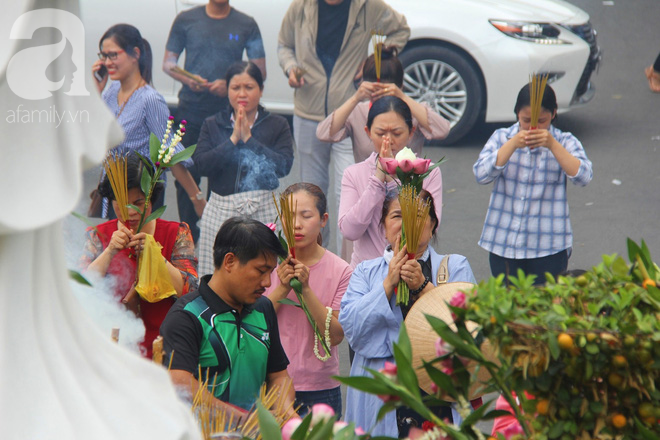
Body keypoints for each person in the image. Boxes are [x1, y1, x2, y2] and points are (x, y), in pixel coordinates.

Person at [339, 191, 476, 437]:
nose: (408, 223)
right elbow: (352, 330)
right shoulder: (365, 272)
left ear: (433, 225)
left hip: (437, 391)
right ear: (383, 227)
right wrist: (387, 285)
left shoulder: (454, 266)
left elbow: (471, 330)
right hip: (382, 392)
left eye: (418, 215)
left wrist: (424, 287)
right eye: (397, 215)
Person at [278, 0, 410, 248]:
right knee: (311, 195)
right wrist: (291, 67)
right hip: (309, 111)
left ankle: (345, 269)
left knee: (346, 194)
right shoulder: (301, 6)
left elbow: (401, 30)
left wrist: (375, 56)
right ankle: (315, 260)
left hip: (348, 113)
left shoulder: (368, 6)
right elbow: (284, 45)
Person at [160, 217, 295, 414]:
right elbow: (180, 382)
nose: (267, 283)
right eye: (260, 271)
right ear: (229, 261)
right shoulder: (187, 315)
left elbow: (278, 375)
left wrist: (288, 416)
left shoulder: (263, 308)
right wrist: (243, 420)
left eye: (271, 272)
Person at [163, 0, 266, 242]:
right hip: (190, 109)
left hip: (227, 116)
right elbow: (169, 64)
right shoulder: (186, 19)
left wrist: (229, 83)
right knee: (186, 175)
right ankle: (188, 240)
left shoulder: (246, 24)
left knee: (224, 177)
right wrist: (188, 80)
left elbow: (259, 71)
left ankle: (220, 240)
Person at [80, 153, 199, 359]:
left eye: (138, 202)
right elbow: (82, 288)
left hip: (165, 348)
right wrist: (109, 252)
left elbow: (190, 290)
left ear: (152, 198)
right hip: (112, 347)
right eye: (121, 203)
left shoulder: (176, 233)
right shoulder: (98, 235)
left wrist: (156, 255)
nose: (130, 211)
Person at [473, 83, 593, 282]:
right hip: (504, 244)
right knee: (507, 305)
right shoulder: (502, 137)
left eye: (542, 121)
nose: (534, 127)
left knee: (544, 305)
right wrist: (512, 144)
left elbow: (584, 176)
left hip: (548, 247)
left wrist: (552, 145)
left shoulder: (564, 141)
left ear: (554, 113)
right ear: (517, 114)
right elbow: (481, 174)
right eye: (526, 120)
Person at [193, 61, 294, 277]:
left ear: (261, 89)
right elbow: (201, 164)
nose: (242, 94)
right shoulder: (213, 123)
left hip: (265, 208)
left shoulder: (277, 124)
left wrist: (249, 139)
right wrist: (232, 140)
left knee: (265, 273)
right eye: (235, 87)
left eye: (249, 87)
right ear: (227, 89)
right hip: (221, 208)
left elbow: (284, 165)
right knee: (217, 273)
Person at [92, 23, 203, 219]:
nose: (107, 62)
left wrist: (197, 198)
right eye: (103, 56)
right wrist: (96, 91)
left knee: (136, 249)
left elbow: (169, 152)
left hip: (139, 198)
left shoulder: (150, 100)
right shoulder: (110, 92)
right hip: (113, 193)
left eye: (113, 55)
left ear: (135, 54)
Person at [265, 183, 352, 418]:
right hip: (272, 381)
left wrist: (305, 289)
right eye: (289, 216)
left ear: (323, 220)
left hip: (320, 388)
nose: (296, 224)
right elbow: (250, 322)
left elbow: (335, 335)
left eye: (306, 216)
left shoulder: (340, 270)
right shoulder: (267, 264)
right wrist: (282, 289)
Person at [338, 96, 443, 269]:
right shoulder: (353, 173)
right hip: (367, 273)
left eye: (397, 133)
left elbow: (431, 228)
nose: (388, 140)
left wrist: (396, 178)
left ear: (411, 132)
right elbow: (350, 231)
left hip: (412, 269)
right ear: (367, 132)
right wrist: (378, 179)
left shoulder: (428, 171)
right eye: (380, 133)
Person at [316, 47, 450, 163]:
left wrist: (402, 97)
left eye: (397, 133)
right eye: (375, 92)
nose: (382, 100)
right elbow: (323, 134)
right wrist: (355, 98)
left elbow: (442, 130)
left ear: (400, 87)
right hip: (367, 187)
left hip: (406, 187)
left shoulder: (414, 111)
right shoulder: (357, 112)